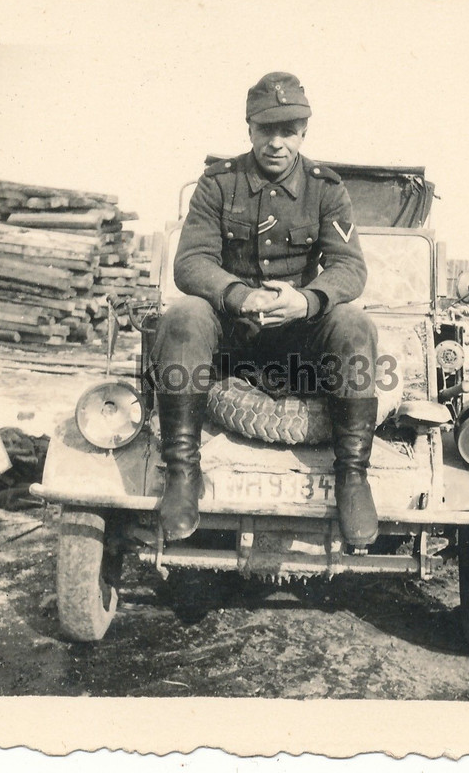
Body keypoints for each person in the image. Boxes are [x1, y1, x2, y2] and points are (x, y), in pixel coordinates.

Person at [150, 71, 379, 547]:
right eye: (265, 130)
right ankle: (182, 473)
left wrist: (308, 300)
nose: (277, 143)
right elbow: (191, 262)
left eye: (288, 130)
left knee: (354, 323)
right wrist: (238, 295)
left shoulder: (327, 190)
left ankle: (353, 477)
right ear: (249, 128)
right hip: (230, 338)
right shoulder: (217, 184)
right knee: (183, 315)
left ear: (304, 133)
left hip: (299, 340)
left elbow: (348, 268)